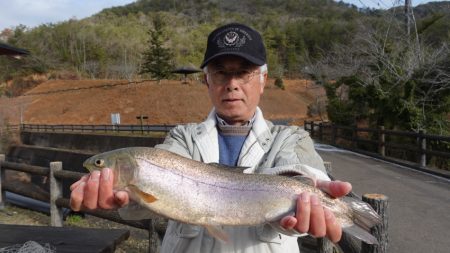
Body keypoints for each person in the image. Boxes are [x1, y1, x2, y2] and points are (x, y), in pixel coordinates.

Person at [70, 23, 352, 253]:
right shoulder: (182, 137)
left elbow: (300, 168)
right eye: (221, 73)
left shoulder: (291, 137)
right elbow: (145, 199)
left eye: (243, 72)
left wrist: (311, 188)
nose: (232, 84)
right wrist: (123, 196)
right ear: (207, 80)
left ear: (263, 79)